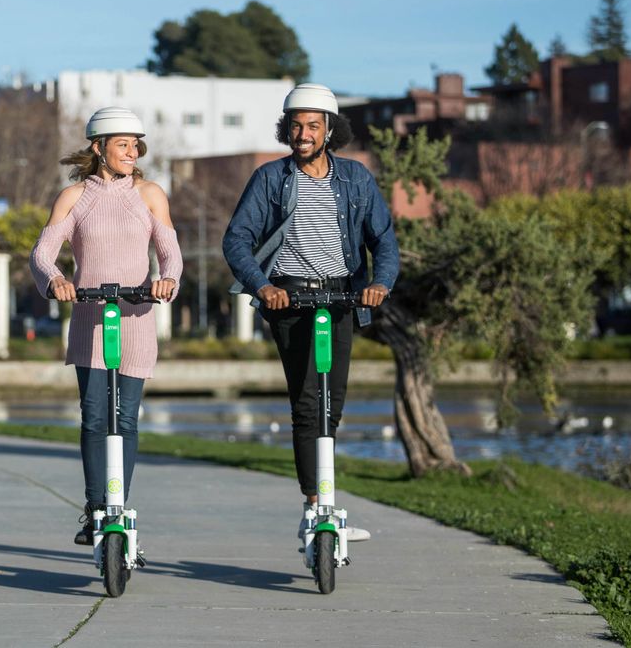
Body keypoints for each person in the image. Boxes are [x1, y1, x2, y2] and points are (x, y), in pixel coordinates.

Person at [221, 83, 399, 542]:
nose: (303, 134)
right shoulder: (269, 178)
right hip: (290, 299)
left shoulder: (356, 178)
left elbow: (384, 239)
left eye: (313, 126)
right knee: (305, 402)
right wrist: (263, 286)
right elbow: (237, 239)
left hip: (342, 297)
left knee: (331, 404)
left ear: (329, 130)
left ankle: (326, 497)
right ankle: (316, 504)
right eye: (296, 126)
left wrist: (380, 283)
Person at [30, 107, 183, 545]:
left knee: (127, 420)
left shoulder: (150, 194)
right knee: (95, 417)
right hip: (90, 317)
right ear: (98, 147)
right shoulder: (74, 197)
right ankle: (96, 507)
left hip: (135, 316)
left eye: (136, 145)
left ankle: (120, 508)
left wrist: (168, 278)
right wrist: (56, 279)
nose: (132, 152)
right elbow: (41, 254)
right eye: (123, 144)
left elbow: (170, 251)